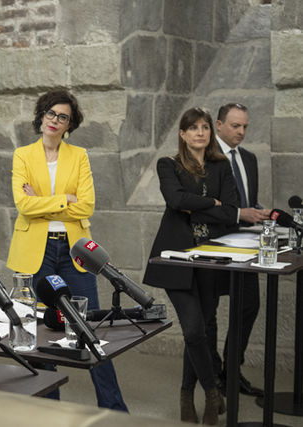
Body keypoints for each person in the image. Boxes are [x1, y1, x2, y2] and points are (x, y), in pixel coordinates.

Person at [7, 90, 128, 411]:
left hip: (75, 251)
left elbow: (87, 204)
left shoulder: (79, 156)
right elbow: (23, 204)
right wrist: (65, 200)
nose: (54, 120)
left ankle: (114, 410)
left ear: (69, 124)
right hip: (37, 250)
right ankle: (49, 410)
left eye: (62, 116)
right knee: (44, 331)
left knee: (90, 330)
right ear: (41, 116)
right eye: (50, 113)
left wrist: (42, 203)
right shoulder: (22, 155)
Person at [143, 107, 237, 425]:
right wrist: (212, 204)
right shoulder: (168, 164)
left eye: (205, 127)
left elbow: (231, 212)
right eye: (193, 128)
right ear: (182, 134)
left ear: (211, 132)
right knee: (194, 329)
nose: (200, 132)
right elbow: (174, 199)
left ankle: (187, 394)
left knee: (204, 328)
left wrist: (193, 207)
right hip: (175, 258)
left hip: (212, 258)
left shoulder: (221, 167)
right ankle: (210, 393)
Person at [207, 103, 267, 397]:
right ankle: (213, 374)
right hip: (212, 244)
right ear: (218, 125)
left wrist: (258, 211)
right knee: (210, 313)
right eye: (235, 126)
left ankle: (231, 371)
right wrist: (238, 213)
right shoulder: (204, 158)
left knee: (248, 305)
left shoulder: (249, 158)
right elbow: (202, 206)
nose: (241, 132)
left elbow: (247, 200)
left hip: (247, 246)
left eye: (245, 126)